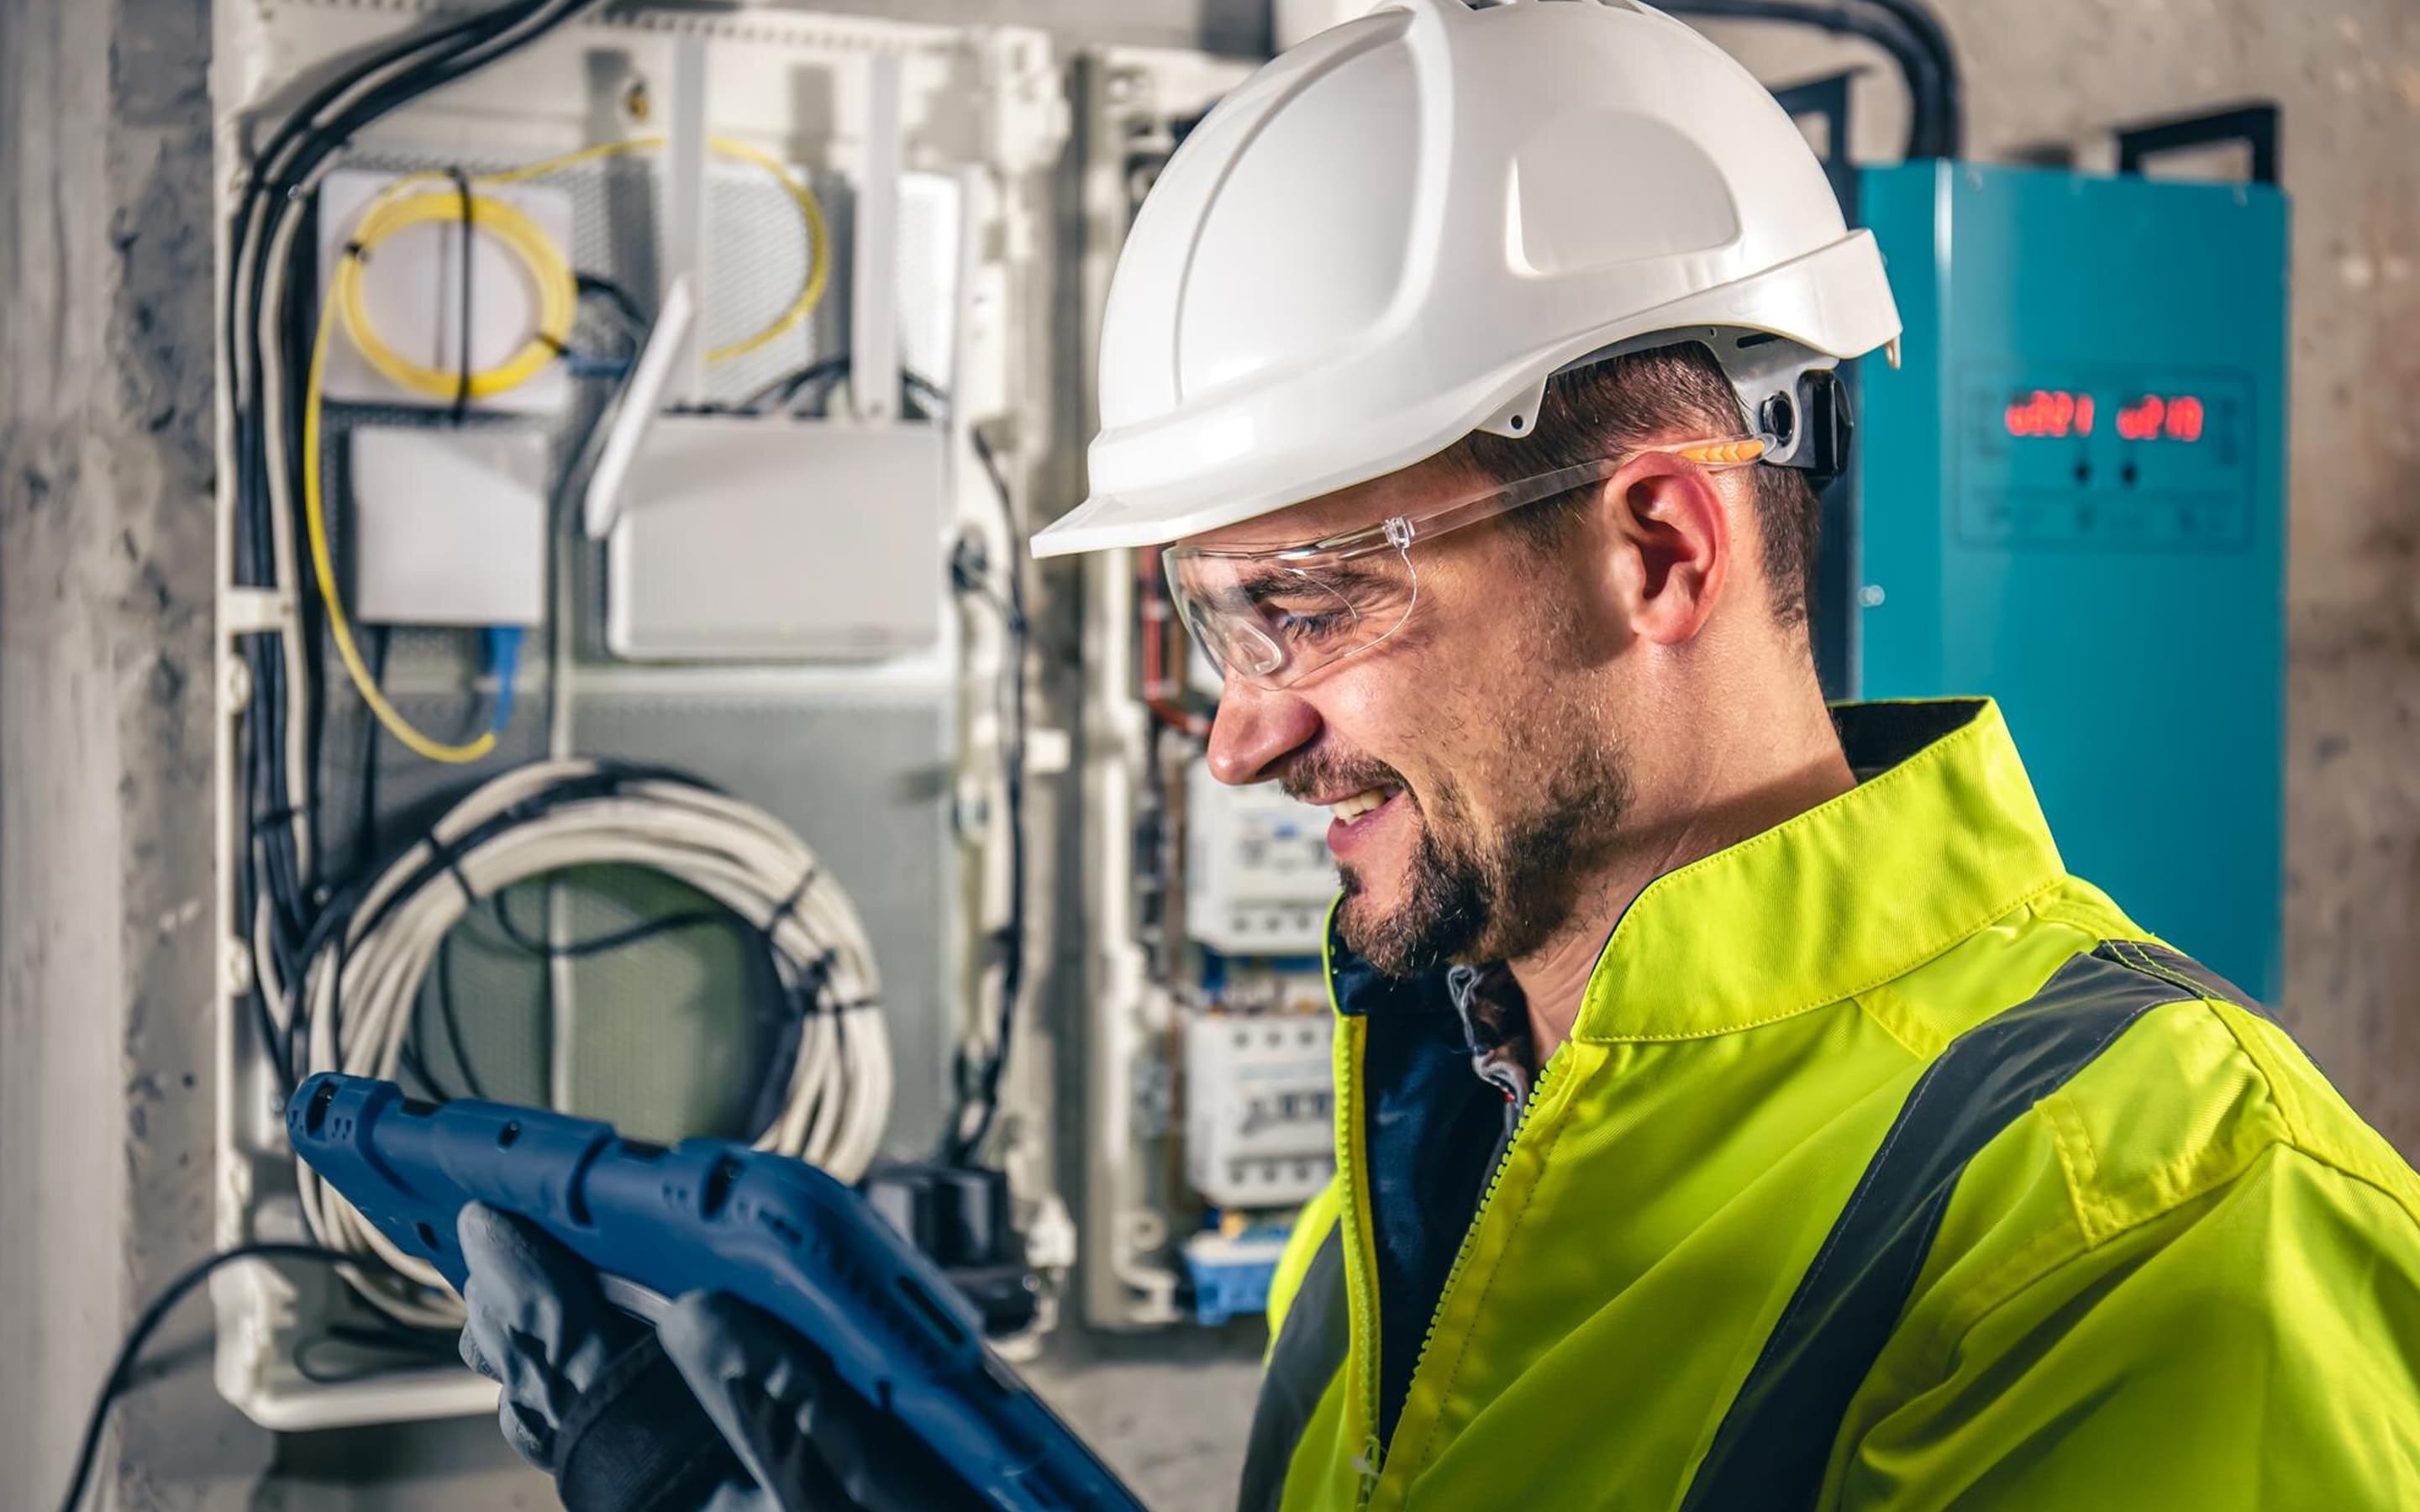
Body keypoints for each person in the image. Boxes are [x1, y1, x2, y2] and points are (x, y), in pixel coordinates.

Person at [459, 1, 2420, 1508]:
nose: (1235, 735)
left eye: (1303, 610)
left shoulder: (2155, 1223)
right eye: (1209, 622)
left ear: (1662, 542)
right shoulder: (1435, 1139)